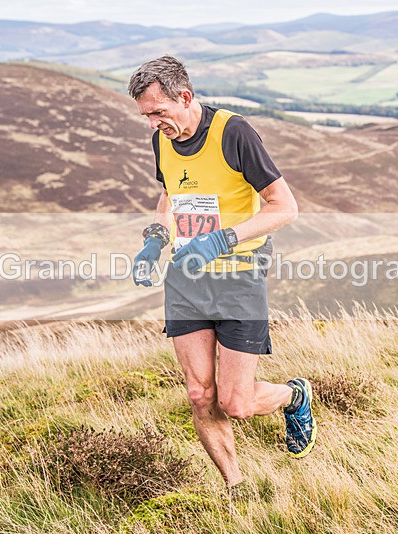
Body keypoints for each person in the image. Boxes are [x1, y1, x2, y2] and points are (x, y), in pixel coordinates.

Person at [127, 55, 316, 493]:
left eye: (158, 112)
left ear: (185, 97)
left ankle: (294, 395)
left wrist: (221, 240)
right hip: (186, 277)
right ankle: (236, 487)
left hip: (238, 276)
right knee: (199, 394)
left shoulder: (234, 133)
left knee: (236, 402)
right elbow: (170, 195)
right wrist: (155, 238)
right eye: (146, 116)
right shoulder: (162, 140)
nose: (153, 123)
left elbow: (285, 207)